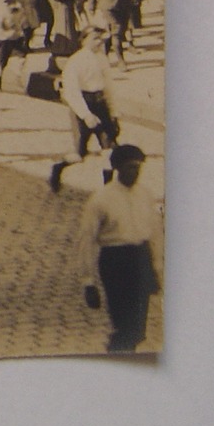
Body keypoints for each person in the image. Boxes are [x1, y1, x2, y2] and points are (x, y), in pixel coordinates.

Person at [79, 144, 163, 353]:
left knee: (137, 328)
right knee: (124, 323)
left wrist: (155, 268)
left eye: (138, 167)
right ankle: (117, 357)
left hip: (141, 259)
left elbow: (155, 234)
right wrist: (88, 282)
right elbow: (86, 240)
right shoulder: (101, 199)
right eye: (129, 167)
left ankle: (122, 354)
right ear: (117, 167)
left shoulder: (145, 195)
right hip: (116, 262)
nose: (134, 172)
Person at [50, 25, 123, 193]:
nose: (99, 42)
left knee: (109, 150)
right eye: (94, 38)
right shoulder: (75, 61)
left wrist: (113, 112)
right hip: (83, 106)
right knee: (79, 155)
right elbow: (72, 92)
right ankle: (58, 168)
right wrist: (86, 115)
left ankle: (108, 191)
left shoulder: (102, 59)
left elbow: (109, 87)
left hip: (100, 104)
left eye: (100, 38)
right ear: (83, 40)